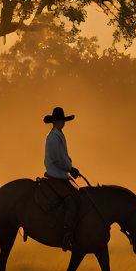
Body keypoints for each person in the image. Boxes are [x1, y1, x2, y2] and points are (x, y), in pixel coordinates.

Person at [43, 106, 81, 250]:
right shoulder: (52, 137)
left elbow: (63, 157)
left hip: (61, 174)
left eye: (62, 121)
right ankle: (66, 234)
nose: (61, 123)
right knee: (71, 202)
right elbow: (58, 159)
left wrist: (70, 168)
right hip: (56, 175)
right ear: (55, 122)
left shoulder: (58, 135)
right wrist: (70, 168)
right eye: (59, 121)